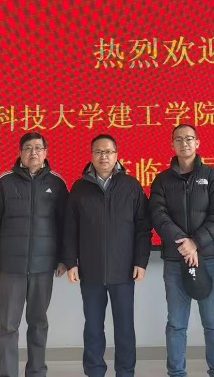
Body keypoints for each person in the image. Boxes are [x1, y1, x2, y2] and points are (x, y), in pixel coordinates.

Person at [63, 134, 152, 377]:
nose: (104, 157)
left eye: (109, 152)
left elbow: (143, 228)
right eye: (99, 152)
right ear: (91, 155)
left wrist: (140, 261)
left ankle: (125, 372)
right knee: (93, 328)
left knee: (124, 328)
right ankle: (94, 371)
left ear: (117, 155)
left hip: (123, 270)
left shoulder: (131, 186)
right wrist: (71, 262)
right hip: (90, 270)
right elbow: (70, 229)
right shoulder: (80, 188)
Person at [0, 132, 68, 377]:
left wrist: (64, 259)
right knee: (8, 326)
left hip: (44, 266)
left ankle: (37, 371)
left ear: (46, 153)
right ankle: (7, 373)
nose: (33, 152)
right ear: (20, 153)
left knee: (38, 323)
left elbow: (67, 224)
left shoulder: (57, 183)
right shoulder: (5, 182)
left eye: (38, 148)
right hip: (11, 266)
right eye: (28, 148)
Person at [149, 124, 214, 377]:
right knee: (176, 323)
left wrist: (196, 242)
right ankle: (176, 373)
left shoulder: (213, 176)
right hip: (175, 260)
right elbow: (158, 215)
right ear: (172, 144)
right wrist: (184, 244)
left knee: (213, 322)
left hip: (208, 258)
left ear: (198, 143)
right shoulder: (162, 180)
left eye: (189, 138)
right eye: (179, 139)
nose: (184, 143)